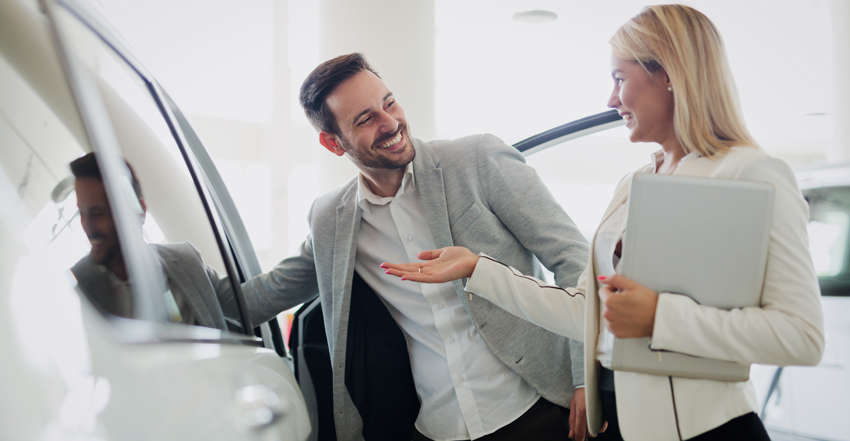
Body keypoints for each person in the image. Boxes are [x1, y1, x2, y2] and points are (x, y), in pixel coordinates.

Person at [382, 5, 825, 441]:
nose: (611, 100)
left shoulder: (753, 174)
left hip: (712, 430)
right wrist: (476, 268)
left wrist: (659, 317)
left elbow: (800, 336)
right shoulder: (634, 184)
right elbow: (589, 313)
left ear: (668, 74)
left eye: (619, 79)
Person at [236, 53, 590, 441]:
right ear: (333, 143)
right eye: (366, 119)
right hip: (437, 427)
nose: (390, 123)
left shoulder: (477, 160)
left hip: (539, 407)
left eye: (389, 103)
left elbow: (573, 259)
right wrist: (169, 275)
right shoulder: (331, 220)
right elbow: (269, 292)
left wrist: (583, 378)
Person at [70, 152, 234, 330]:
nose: (87, 226)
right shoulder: (75, 291)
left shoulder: (185, 260)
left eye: (97, 213)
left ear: (138, 211)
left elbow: (238, 303)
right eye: (82, 213)